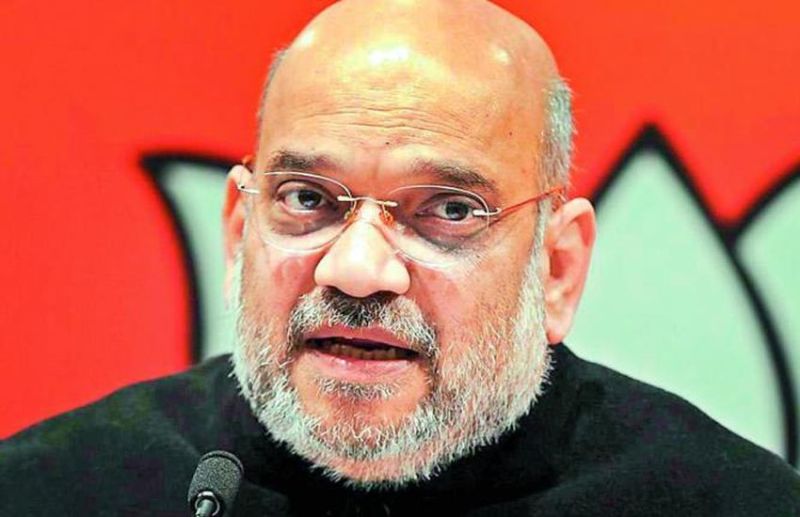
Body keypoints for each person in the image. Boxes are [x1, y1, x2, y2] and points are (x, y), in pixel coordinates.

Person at [2, 0, 799, 515]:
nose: (356, 270)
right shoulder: (51, 490)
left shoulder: (731, 502)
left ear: (556, 269)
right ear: (241, 230)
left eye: (448, 211)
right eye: (308, 198)